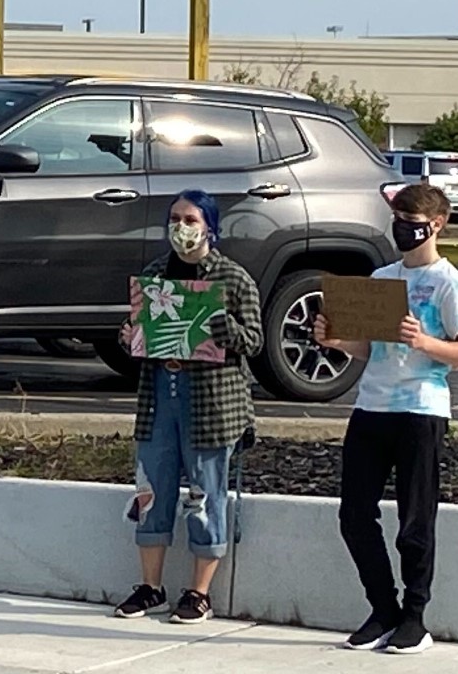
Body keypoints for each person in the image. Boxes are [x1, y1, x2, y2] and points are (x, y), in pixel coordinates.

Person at [315, 183, 458, 655]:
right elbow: (370, 346)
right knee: (354, 514)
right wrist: (337, 341)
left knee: (414, 520)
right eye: (398, 219)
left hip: (420, 410)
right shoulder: (382, 276)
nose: (403, 229)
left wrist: (425, 341)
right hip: (371, 408)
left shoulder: (452, 283)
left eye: (412, 221)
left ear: (437, 225)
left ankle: (415, 616)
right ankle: (382, 608)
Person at [112, 191, 262, 625]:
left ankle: (199, 592)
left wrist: (220, 322)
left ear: (209, 226)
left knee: (204, 495)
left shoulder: (233, 279)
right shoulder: (156, 273)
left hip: (211, 402)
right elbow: (143, 334)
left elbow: (252, 341)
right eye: (175, 218)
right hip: (160, 394)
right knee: (151, 489)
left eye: (190, 218)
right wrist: (130, 335)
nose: (181, 226)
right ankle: (150, 586)